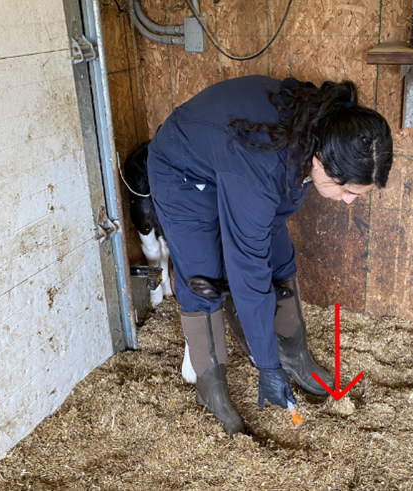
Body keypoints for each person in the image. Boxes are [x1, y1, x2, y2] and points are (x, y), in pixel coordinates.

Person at [146, 75, 393, 436]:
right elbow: (247, 267)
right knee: (205, 277)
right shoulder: (263, 167)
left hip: (236, 159)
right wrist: (266, 367)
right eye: (347, 189)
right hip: (184, 172)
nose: (349, 201)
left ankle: (295, 354)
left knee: (278, 256)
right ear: (322, 161)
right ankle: (209, 384)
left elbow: (266, 237)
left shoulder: (321, 128)